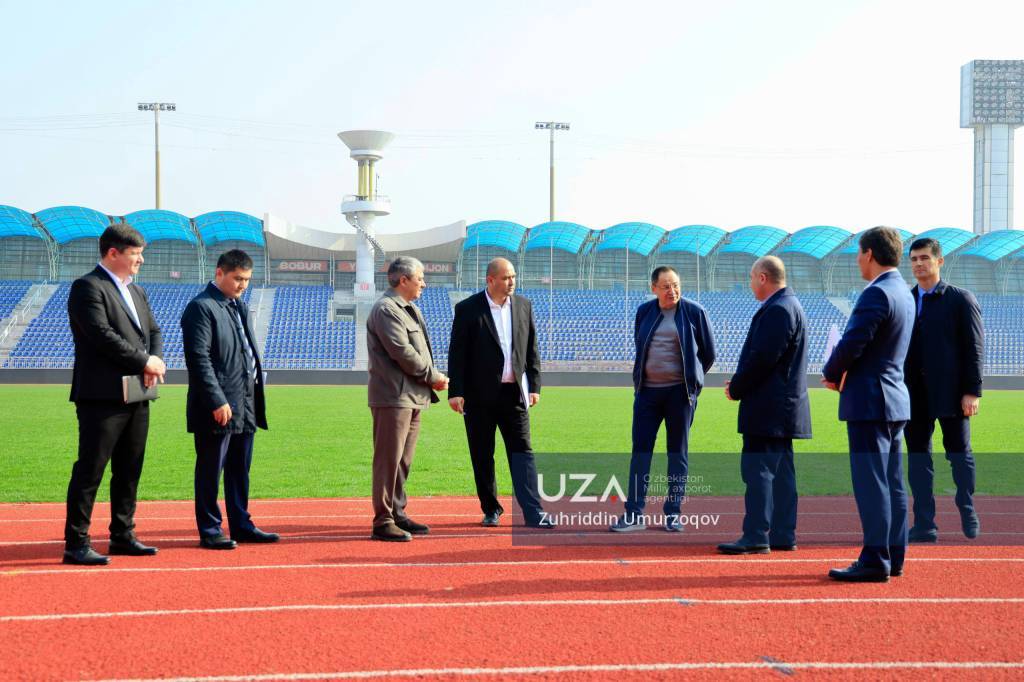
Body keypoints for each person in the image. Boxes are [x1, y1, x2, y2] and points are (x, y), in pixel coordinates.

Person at [63, 223, 166, 566]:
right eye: (135, 254)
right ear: (112, 253)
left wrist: (154, 360)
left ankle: (123, 535)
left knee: (129, 468)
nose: (141, 260)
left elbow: (153, 331)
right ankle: (76, 542)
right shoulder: (88, 287)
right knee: (91, 469)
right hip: (101, 396)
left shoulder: (137, 291)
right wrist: (144, 361)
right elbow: (101, 335)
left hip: (138, 392)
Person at [822, 226, 915, 582]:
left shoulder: (876, 293)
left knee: (872, 483)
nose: (858, 261)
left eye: (859, 254)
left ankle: (876, 559)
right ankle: (894, 556)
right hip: (893, 400)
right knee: (892, 483)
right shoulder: (904, 293)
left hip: (870, 401)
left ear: (870, 254)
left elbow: (852, 343)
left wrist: (831, 372)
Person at [181, 249, 277, 550]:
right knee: (211, 469)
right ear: (219, 273)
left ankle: (242, 524)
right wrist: (216, 400)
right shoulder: (201, 307)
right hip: (218, 405)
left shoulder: (240, 307)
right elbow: (198, 359)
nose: (242, 285)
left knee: (239, 468)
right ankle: (210, 529)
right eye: (237, 278)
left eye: (246, 279)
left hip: (246, 402)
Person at [447, 257, 553, 528]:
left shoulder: (523, 305)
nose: (512, 282)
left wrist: (535, 386)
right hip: (478, 397)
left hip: (514, 395)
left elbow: (531, 349)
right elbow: (457, 353)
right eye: (506, 278)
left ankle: (533, 511)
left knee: (523, 453)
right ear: (490, 280)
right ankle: (491, 509)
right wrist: (456, 391)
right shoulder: (468, 309)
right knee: (482, 454)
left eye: (513, 277)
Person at [610, 266, 715, 533]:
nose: (672, 291)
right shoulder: (644, 311)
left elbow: (709, 353)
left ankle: (673, 514)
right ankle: (634, 514)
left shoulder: (694, 312)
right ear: (654, 288)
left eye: (676, 285)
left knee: (677, 454)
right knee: (640, 453)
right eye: (666, 286)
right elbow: (640, 343)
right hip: (647, 394)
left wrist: (692, 379)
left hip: (680, 395)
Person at [718, 256, 811, 554]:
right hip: (781, 408)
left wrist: (737, 387)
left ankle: (756, 534)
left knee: (758, 471)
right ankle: (783, 533)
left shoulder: (779, 309)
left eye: (751, 278)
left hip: (769, 408)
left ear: (762, 277)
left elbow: (762, 359)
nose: (749, 284)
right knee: (782, 474)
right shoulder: (789, 305)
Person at [904, 238, 983, 542]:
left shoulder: (960, 299)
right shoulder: (905, 300)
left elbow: (974, 348)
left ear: (939, 261)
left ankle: (966, 505)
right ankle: (925, 524)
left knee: (959, 455)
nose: (918, 264)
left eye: (924, 258)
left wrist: (972, 391)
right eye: (914, 259)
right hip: (913, 394)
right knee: (918, 459)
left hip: (952, 393)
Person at [366, 256, 448, 542]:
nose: (424, 284)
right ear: (403, 280)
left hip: (410, 396)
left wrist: (430, 379)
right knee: (388, 460)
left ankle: (397, 513)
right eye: (420, 278)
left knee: (402, 461)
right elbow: (402, 352)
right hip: (394, 396)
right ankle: (383, 520)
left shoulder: (408, 309)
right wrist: (434, 376)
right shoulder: (386, 309)